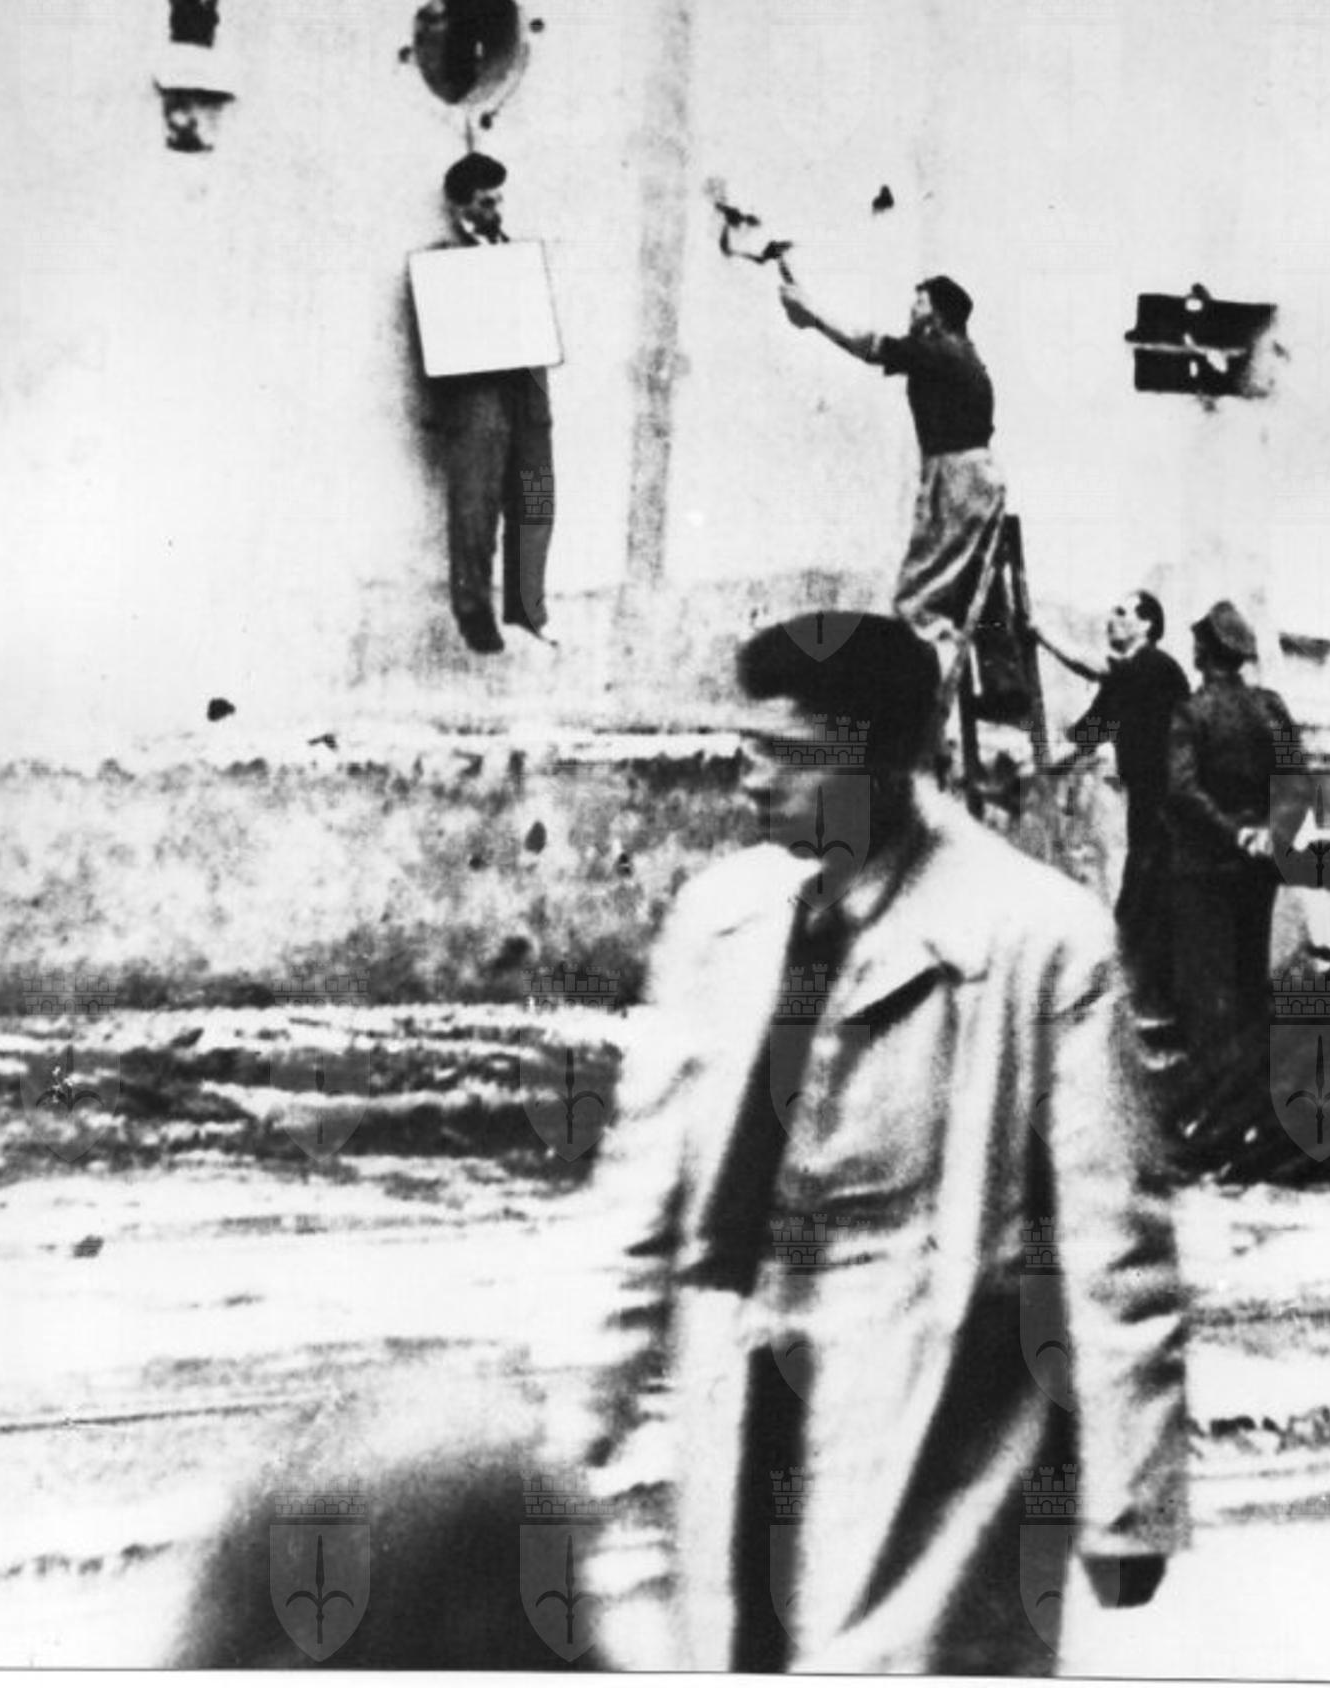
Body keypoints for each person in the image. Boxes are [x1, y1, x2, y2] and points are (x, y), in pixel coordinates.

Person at [583, 612, 1187, 1674]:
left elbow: (1115, 1238)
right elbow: (643, 1187)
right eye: (746, 744)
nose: (749, 776)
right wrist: (582, 1407)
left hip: (938, 1406)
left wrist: (1129, 1503)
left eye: (785, 752)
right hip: (747, 1381)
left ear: (880, 759)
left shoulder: (1040, 937)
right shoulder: (721, 922)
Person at [777, 272, 1009, 658]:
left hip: (958, 479)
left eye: (919, 303)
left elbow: (868, 345)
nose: (911, 310)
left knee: (915, 602)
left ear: (937, 315)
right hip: (971, 478)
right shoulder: (957, 353)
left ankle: (919, 682)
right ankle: (971, 680)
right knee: (961, 601)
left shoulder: (939, 351)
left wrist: (813, 313)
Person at [1165, 600, 1312, 1113]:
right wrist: (1270, 834)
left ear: (1204, 653)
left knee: (1208, 992)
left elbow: (1181, 790)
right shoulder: (1272, 709)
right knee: (1252, 982)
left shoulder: (1191, 712)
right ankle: (1260, 1103)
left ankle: (1215, 1110)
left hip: (1205, 868)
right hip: (1259, 867)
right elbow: (1297, 782)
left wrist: (1232, 835)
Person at [422, 151, 553, 655]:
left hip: (526, 391)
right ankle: (473, 612)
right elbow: (439, 337)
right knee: (475, 509)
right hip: (477, 399)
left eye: (498, 199)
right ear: (460, 206)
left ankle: (526, 605)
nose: (495, 209)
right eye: (485, 201)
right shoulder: (443, 260)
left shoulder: (516, 255)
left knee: (536, 499)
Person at [1045, 592, 1191, 1013]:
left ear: (1146, 626)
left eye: (1123, 613)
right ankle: (1149, 1001)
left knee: (1143, 904)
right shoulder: (1126, 683)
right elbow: (1088, 734)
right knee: (1145, 902)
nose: (1112, 619)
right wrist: (1038, 762)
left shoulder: (1155, 667)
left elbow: (1091, 666)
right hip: (1147, 804)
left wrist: (1040, 634)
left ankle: (1142, 1003)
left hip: (1171, 805)